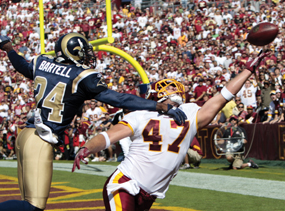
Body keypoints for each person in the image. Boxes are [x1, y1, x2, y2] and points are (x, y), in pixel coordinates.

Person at [0, 33, 186, 211]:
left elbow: (23, 67)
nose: (88, 56)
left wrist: (10, 50)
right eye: (83, 51)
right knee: (33, 206)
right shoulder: (82, 76)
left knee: (26, 202)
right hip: (41, 139)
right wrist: (157, 106)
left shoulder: (42, 62)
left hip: (26, 135)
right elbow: (119, 99)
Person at [72, 50, 267, 211]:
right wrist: (87, 148)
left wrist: (248, 70)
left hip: (149, 193)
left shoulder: (189, 113)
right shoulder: (141, 115)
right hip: (124, 184)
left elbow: (223, 96)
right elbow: (107, 137)